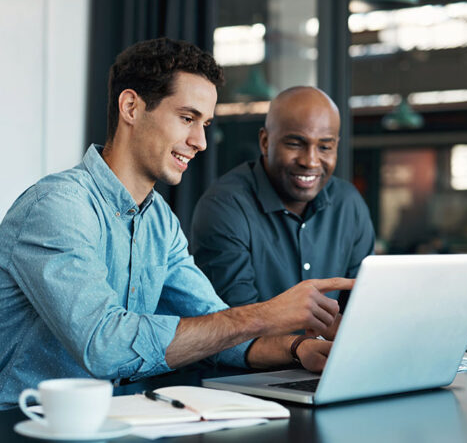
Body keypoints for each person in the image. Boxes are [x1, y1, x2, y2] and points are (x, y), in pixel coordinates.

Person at [0, 38, 352, 409]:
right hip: (25, 423)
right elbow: (104, 345)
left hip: (119, 418)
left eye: (205, 123)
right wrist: (266, 315)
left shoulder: (160, 222)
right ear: (131, 107)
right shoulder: (58, 207)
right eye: (187, 118)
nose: (200, 141)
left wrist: (299, 348)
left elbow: (214, 325)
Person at [191, 86, 375, 307]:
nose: (311, 161)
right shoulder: (224, 206)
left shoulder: (348, 203)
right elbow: (236, 325)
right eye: (295, 144)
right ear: (265, 142)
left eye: (325, 147)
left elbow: (361, 306)